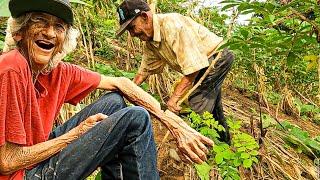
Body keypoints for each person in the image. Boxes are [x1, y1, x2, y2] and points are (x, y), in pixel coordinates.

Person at [0, 0, 213, 179]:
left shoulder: (57, 71)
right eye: (39, 21)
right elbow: (8, 162)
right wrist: (74, 135)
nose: (50, 33)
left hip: (38, 153)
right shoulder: (12, 67)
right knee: (135, 118)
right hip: (22, 173)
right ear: (20, 32)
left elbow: (121, 83)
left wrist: (174, 123)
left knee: (114, 101)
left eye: (58, 27)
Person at [116, 0, 234, 143]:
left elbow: (193, 67)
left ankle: (194, 151)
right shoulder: (151, 42)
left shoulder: (173, 25)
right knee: (211, 102)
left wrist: (174, 99)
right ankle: (225, 143)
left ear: (145, 17)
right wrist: (127, 90)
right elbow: (144, 71)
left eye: (132, 27)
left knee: (193, 104)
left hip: (217, 58)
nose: (132, 34)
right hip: (202, 64)